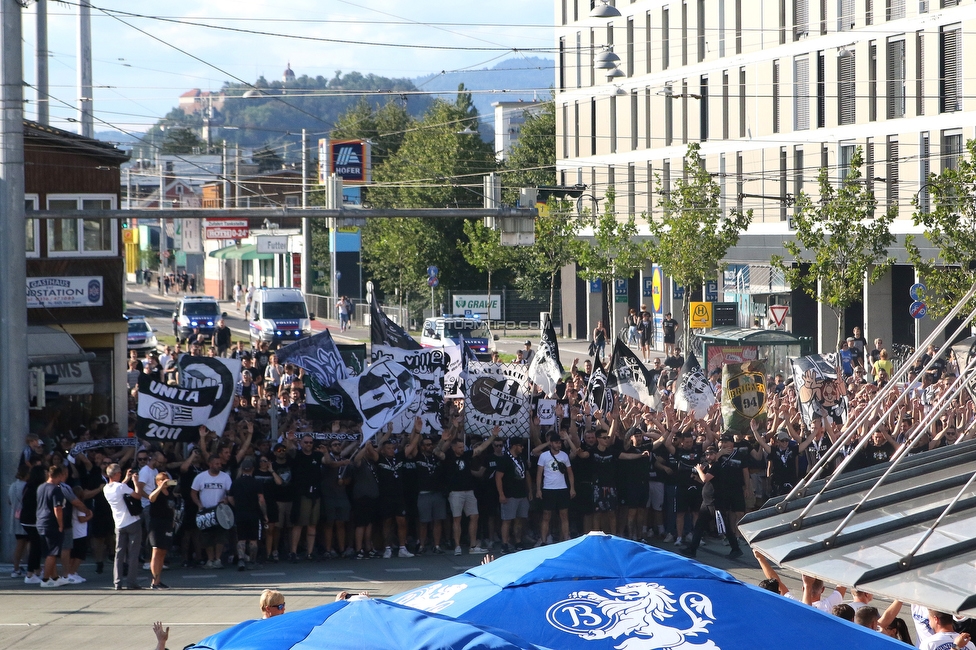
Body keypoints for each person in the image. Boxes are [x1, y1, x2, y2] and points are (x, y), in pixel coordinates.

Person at [436, 428, 496, 555]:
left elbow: (480, 448)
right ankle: (457, 546)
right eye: (459, 447)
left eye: (463, 447)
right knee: (456, 519)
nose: (462, 449)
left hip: (469, 491)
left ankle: (473, 545)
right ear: (453, 448)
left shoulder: (466, 455)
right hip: (455, 492)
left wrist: (492, 437)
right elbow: (436, 452)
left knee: (474, 516)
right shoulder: (448, 457)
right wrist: (442, 440)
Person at [103, 463, 147, 590]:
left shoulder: (106, 488)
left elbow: (119, 488)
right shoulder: (121, 487)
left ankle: (117, 582)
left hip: (118, 523)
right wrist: (135, 482)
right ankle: (131, 581)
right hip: (131, 521)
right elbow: (137, 496)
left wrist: (126, 479)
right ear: (116, 474)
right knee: (133, 553)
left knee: (119, 553)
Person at [191, 455, 233, 569]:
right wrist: (199, 505)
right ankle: (210, 559)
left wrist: (225, 500)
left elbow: (230, 493)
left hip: (220, 510)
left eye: (220, 464)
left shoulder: (225, 477)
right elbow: (193, 492)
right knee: (207, 536)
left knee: (220, 536)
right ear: (210, 464)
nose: (219, 466)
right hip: (206, 511)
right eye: (217, 464)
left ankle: (218, 559)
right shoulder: (201, 477)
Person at [535, 432, 576, 546]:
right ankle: (543, 540)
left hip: (562, 488)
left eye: (560, 443)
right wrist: (538, 489)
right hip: (548, 488)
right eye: (556, 443)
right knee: (546, 515)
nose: (559, 445)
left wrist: (572, 488)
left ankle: (566, 539)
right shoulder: (544, 456)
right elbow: (539, 473)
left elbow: (570, 473)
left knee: (564, 515)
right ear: (551, 443)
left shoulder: (564, 455)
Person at [228, 457, 267, 570]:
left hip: (240, 513)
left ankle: (241, 560)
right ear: (252, 469)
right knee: (253, 539)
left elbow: (230, 498)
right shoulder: (256, 483)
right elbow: (261, 500)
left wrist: (237, 505)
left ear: (242, 469)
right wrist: (264, 515)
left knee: (241, 538)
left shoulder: (235, 483)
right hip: (254, 514)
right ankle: (252, 561)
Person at [495, 437, 532, 553]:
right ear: (514, 446)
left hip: (521, 494)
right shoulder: (505, 459)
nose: (522, 448)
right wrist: (501, 494)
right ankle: (504, 544)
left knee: (519, 519)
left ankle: (518, 541)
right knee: (507, 520)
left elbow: (526, 474)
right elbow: (498, 477)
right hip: (509, 494)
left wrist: (530, 490)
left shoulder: (522, 458)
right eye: (520, 446)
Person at [35, 465, 67, 588]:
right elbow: (57, 508)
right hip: (51, 523)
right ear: (59, 475)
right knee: (52, 553)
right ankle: (45, 579)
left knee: (48, 551)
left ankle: (55, 577)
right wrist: (60, 524)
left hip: (41, 522)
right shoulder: (55, 489)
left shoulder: (41, 487)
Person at [147, 471, 175, 589]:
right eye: (163, 479)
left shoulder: (170, 493)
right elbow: (151, 498)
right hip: (156, 524)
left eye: (167, 479)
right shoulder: (156, 492)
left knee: (163, 551)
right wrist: (160, 487)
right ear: (158, 481)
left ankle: (158, 579)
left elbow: (172, 507)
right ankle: (154, 581)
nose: (166, 481)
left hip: (167, 523)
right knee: (156, 551)